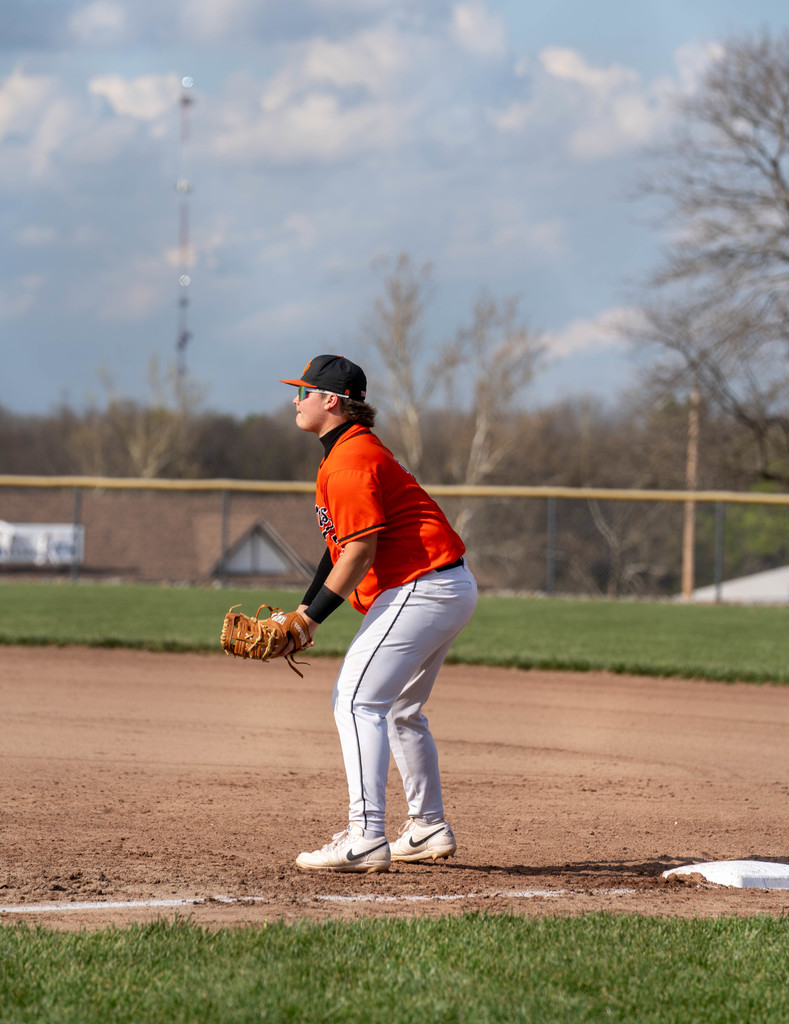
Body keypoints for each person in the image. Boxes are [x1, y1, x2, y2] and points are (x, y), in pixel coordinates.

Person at [279, 354, 478, 873]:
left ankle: (366, 836)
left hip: (422, 586)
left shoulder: (348, 461)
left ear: (332, 401)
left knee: (355, 700)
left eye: (304, 391)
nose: (296, 400)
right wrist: (303, 609)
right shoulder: (352, 451)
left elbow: (359, 552)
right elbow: (339, 545)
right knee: (398, 709)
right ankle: (427, 826)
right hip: (444, 584)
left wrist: (311, 622)